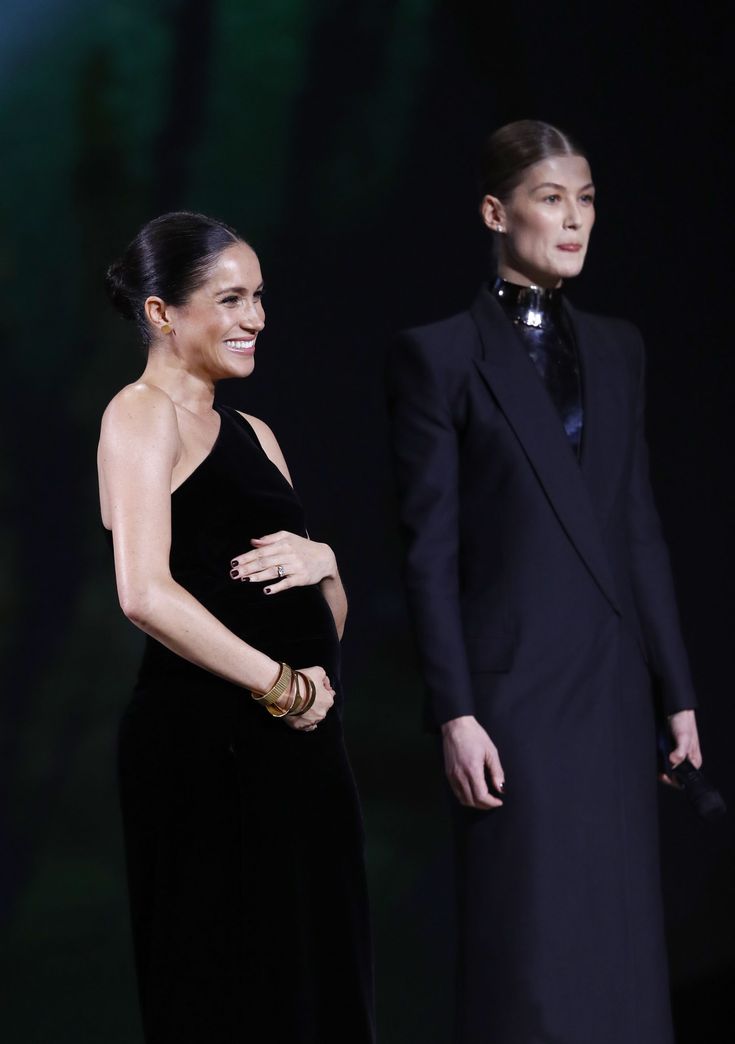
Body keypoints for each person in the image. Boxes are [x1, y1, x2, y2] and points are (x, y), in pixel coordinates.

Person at [386, 120, 701, 1044]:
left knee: (618, 951)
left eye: (587, 199)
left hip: (607, 694)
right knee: (527, 956)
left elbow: (638, 530)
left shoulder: (618, 347)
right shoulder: (436, 354)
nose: (575, 221)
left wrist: (674, 692)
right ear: (496, 212)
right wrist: (453, 710)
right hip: (510, 701)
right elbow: (428, 550)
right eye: (551, 198)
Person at [97, 211, 374, 1044]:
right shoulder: (139, 414)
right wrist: (282, 687)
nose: (254, 317)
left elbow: (329, 615)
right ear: (161, 313)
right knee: (230, 997)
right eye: (230, 298)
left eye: (258, 297)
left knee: (321, 989)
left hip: (303, 749)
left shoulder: (256, 433)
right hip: (208, 749)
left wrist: (324, 561)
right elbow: (143, 592)